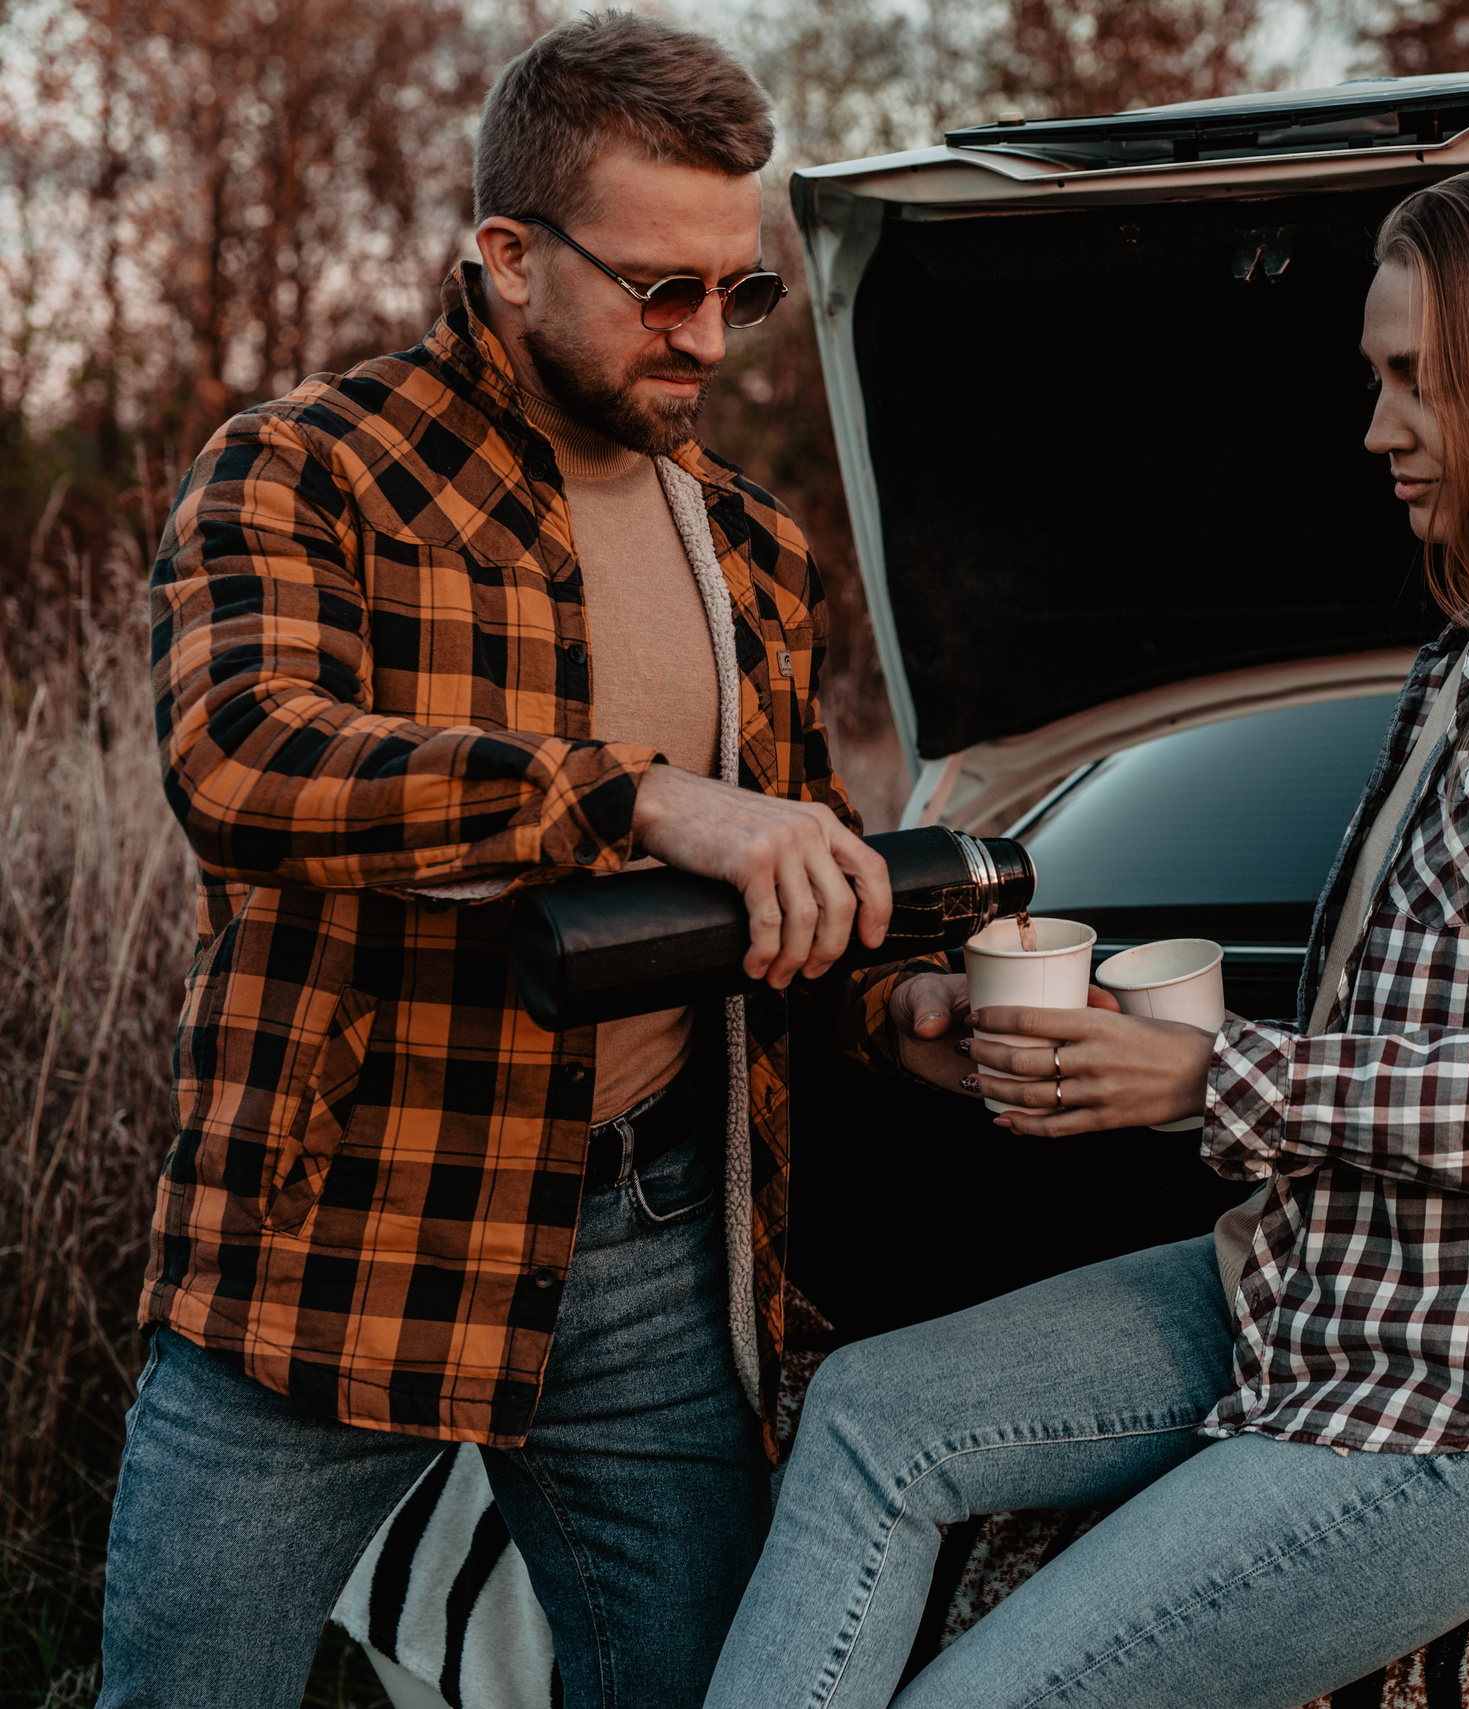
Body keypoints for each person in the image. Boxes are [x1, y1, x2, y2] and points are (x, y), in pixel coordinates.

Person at [706, 162, 1469, 1709]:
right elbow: (1411, 1007)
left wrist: (1206, 1079)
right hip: (1310, 1283)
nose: (1376, 429)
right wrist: (1122, 1041)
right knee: (874, 1418)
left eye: (1417, 380)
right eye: (1376, 375)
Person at [100, 16, 928, 1707]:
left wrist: (908, 996)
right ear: (506, 256)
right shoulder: (303, 469)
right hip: (336, 1226)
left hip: (653, 1233)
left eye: (736, 289)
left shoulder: (755, 548)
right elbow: (242, 761)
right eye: (661, 291)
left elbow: (794, 882)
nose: (708, 339)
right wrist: (635, 799)